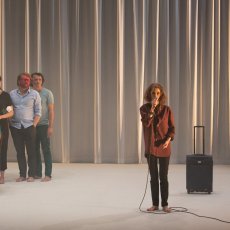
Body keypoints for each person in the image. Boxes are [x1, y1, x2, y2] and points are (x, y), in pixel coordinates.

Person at [140, 83, 175, 213]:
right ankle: (155, 204)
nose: (155, 96)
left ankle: (165, 204)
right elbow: (147, 123)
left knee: (163, 177)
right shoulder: (144, 109)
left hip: (164, 147)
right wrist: (152, 110)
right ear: (149, 94)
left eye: (158, 93)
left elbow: (172, 129)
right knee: (154, 177)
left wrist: (168, 139)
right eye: (153, 93)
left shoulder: (167, 110)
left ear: (161, 95)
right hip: (151, 149)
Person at [10, 73, 41, 182]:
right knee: (20, 152)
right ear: (19, 81)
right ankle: (22, 175)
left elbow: (38, 112)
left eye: (28, 80)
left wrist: (34, 125)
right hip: (15, 127)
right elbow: (9, 109)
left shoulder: (35, 94)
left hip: (29, 126)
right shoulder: (12, 94)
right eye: (24, 79)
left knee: (31, 151)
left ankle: (31, 174)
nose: (27, 81)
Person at [32, 72, 54, 182]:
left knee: (46, 149)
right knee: (34, 150)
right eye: (35, 79)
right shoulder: (29, 93)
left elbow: (51, 111)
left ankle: (48, 174)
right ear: (32, 81)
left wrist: (50, 126)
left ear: (42, 80)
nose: (37, 81)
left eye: (39, 79)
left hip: (44, 125)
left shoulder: (47, 93)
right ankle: (37, 173)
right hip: (32, 126)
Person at [0, 76, 14, 184]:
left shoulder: (5, 96)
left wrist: (0, 117)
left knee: (2, 150)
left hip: (2, 127)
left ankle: (1, 175)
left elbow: (11, 112)